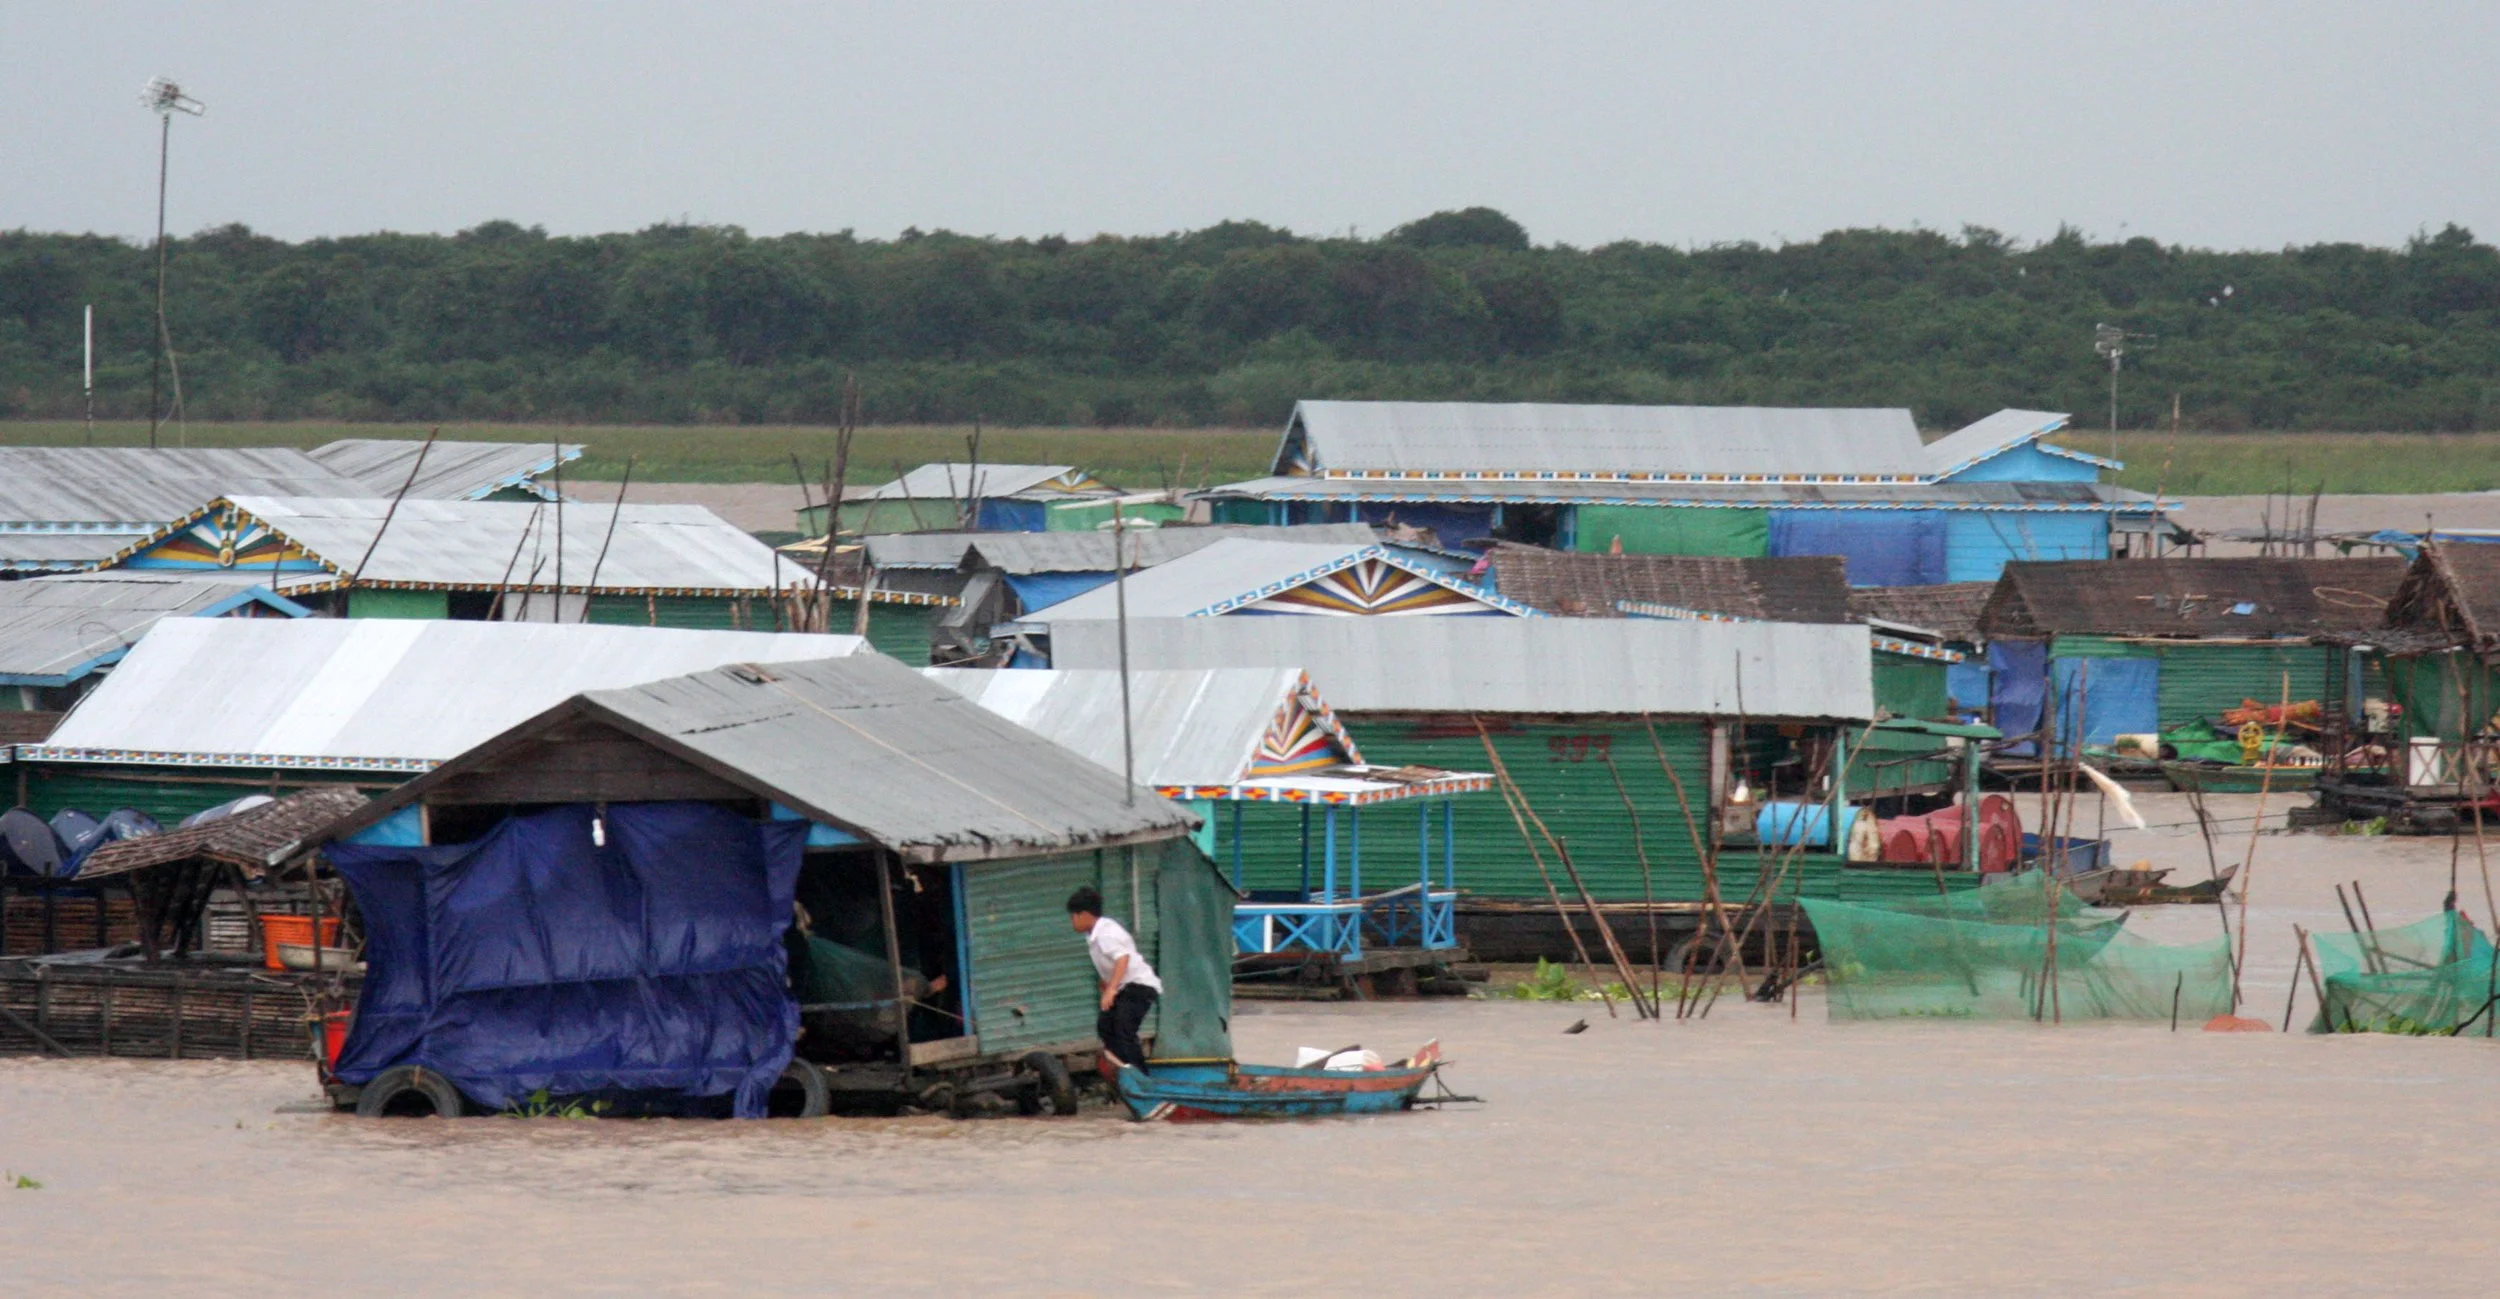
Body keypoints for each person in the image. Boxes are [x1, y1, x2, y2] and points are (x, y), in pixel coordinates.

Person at [1068, 885, 1161, 1069]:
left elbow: (1122, 958)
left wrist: (1111, 989)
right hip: (1125, 987)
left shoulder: (1105, 934)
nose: (1072, 921)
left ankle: (1139, 1075)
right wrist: (1108, 983)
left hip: (1139, 986)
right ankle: (1122, 1067)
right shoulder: (1097, 933)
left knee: (1124, 1029)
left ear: (1085, 915)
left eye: (1074, 916)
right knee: (1105, 1026)